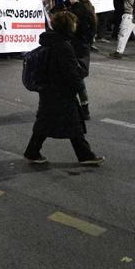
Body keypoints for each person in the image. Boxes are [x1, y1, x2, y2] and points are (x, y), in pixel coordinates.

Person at [23, 11, 104, 166]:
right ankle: (85, 155)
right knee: (73, 124)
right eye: (73, 23)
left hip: (49, 89)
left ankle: (32, 152)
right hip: (61, 91)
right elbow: (71, 72)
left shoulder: (50, 40)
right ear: (68, 26)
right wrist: (80, 84)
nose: (75, 26)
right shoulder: (63, 45)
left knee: (46, 123)